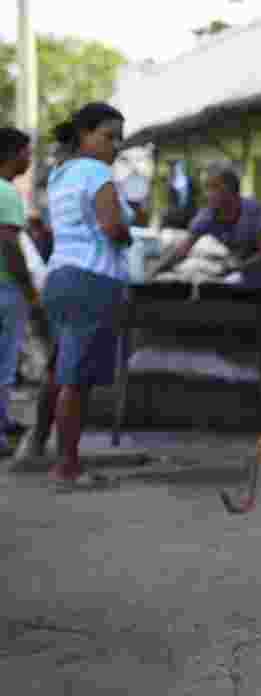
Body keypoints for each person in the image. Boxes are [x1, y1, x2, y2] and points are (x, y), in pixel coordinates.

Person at [25, 103, 135, 488]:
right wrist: (126, 235)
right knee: (78, 379)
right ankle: (67, 468)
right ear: (85, 134)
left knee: (60, 371)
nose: (115, 146)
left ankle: (39, 449)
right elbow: (112, 227)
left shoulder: (61, 174)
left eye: (119, 138)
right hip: (91, 280)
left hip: (60, 276)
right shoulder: (96, 172)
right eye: (108, 136)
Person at [147, 163, 261, 386]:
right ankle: (244, 386)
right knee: (245, 337)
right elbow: (183, 250)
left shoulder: (255, 211)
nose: (208, 193)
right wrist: (155, 270)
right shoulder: (208, 216)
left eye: (213, 187)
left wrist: (233, 268)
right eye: (206, 188)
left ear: (230, 190)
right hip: (247, 285)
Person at [0, 127, 36, 455]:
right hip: (5, 288)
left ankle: (4, 420)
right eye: (27, 152)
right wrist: (29, 290)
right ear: (12, 155)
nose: (30, 159)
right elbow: (9, 246)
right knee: (4, 363)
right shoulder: (7, 193)